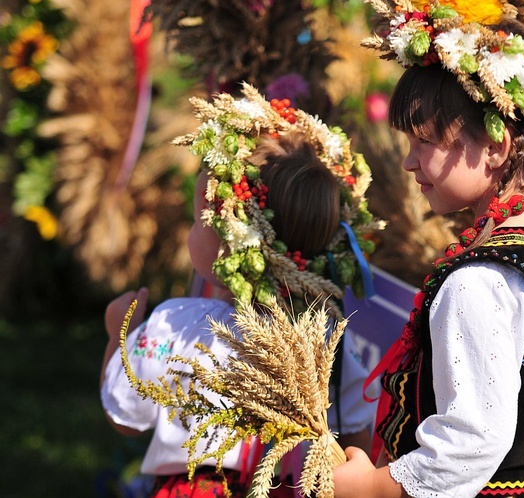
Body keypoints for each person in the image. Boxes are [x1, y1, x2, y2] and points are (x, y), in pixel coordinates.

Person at [334, 2, 524, 497]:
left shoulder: (479, 281)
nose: (407, 162)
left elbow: (472, 440)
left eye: (423, 141)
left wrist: (372, 489)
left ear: (496, 146)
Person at [101, 85, 382, 497]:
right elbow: (358, 441)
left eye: (201, 215)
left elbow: (125, 415)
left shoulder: (176, 326)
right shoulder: (328, 345)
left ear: (231, 242)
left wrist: (117, 335)